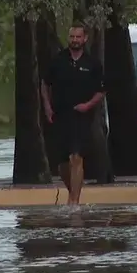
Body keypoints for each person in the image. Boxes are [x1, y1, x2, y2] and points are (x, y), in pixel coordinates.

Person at [40, 23, 105, 205]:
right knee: (62, 163)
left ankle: (74, 202)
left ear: (85, 39)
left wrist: (87, 105)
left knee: (76, 156)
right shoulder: (58, 61)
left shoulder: (92, 64)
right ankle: (72, 193)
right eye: (72, 37)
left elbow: (101, 91)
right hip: (60, 114)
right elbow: (45, 84)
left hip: (81, 116)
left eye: (78, 37)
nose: (74, 40)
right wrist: (47, 106)